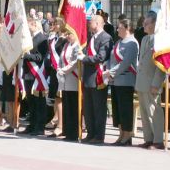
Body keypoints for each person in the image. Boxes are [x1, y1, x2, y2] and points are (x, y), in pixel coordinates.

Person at [78, 15, 113, 144]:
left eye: (90, 21)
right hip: (88, 77)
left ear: (97, 23)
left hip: (98, 78)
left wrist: (84, 58)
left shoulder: (106, 38)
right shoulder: (91, 37)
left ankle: (99, 136)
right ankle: (90, 133)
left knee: (99, 109)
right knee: (88, 108)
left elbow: (101, 57)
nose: (88, 23)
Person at [134, 11, 166, 149]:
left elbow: (161, 65)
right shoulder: (145, 39)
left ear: (154, 24)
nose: (144, 26)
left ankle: (158, 140)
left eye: (147, 23)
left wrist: (156, 83)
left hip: (152, 82)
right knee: (145, 112)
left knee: (154, 111)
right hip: (142, 81)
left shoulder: (160, 40)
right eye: (144, 23)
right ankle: (148, 138)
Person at [105, 18, 139, 146]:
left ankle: (127, 135)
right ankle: (121, 134)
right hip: (115, 81)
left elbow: (125, 63)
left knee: (125, 109)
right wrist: (109, 70)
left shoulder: (132, 43)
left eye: (119, 27)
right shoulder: (119, 42)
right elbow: (112, 58)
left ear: (127, 28)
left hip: (125, 80)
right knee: (117, 109)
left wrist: (111, 72)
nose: (117, 29)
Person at [22, 18, 49, 135]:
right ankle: (32, 124)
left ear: (34, 25)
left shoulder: (42, 39)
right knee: (31, 102)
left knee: (39, 102)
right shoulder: (30, 38)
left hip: (37, 74)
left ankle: (39, 126)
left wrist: (27, 56)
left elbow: (40, 57)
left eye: (29, 25)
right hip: (28, 73)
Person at [57, 28, 81, 141]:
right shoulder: (66, 45)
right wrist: (58, 68)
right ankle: (67, 131)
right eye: (66, 34)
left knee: (73, 106)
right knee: (67, 106)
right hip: (65, 80)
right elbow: (61, 59)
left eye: (70, 34)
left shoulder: (78, 46)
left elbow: (75, 62)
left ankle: (74, 133)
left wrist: (64, 70)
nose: (67, 36)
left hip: (73, 79)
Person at [45, 16, 67, 136]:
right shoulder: (54, 38)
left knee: (60, 97)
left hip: (61, 70)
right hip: (54, 70)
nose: (52, 25)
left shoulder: (64, 39)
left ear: (60, 25)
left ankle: (59, 123)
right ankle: (56, 119)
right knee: (54, 97)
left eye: (54, 23)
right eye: (51, 23)